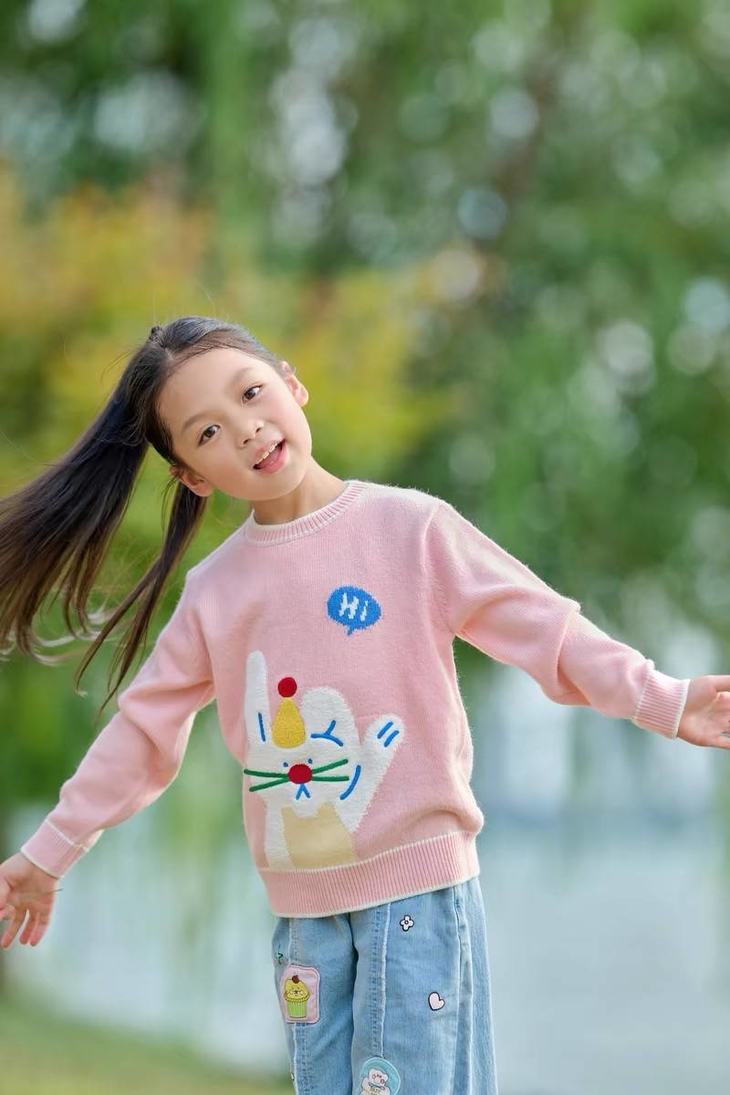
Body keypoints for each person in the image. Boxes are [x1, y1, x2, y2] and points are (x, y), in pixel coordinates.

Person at [1, 315, 729, 1095]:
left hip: (417, 899)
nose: (246, 429)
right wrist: (46, 856)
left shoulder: (410, 529)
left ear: (292, 384)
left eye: (251, 394)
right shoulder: (216, 592)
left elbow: (544, 629)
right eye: (208, 431)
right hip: (306, 923)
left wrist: (664, 699)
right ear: (192, 476)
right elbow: (143, 733)